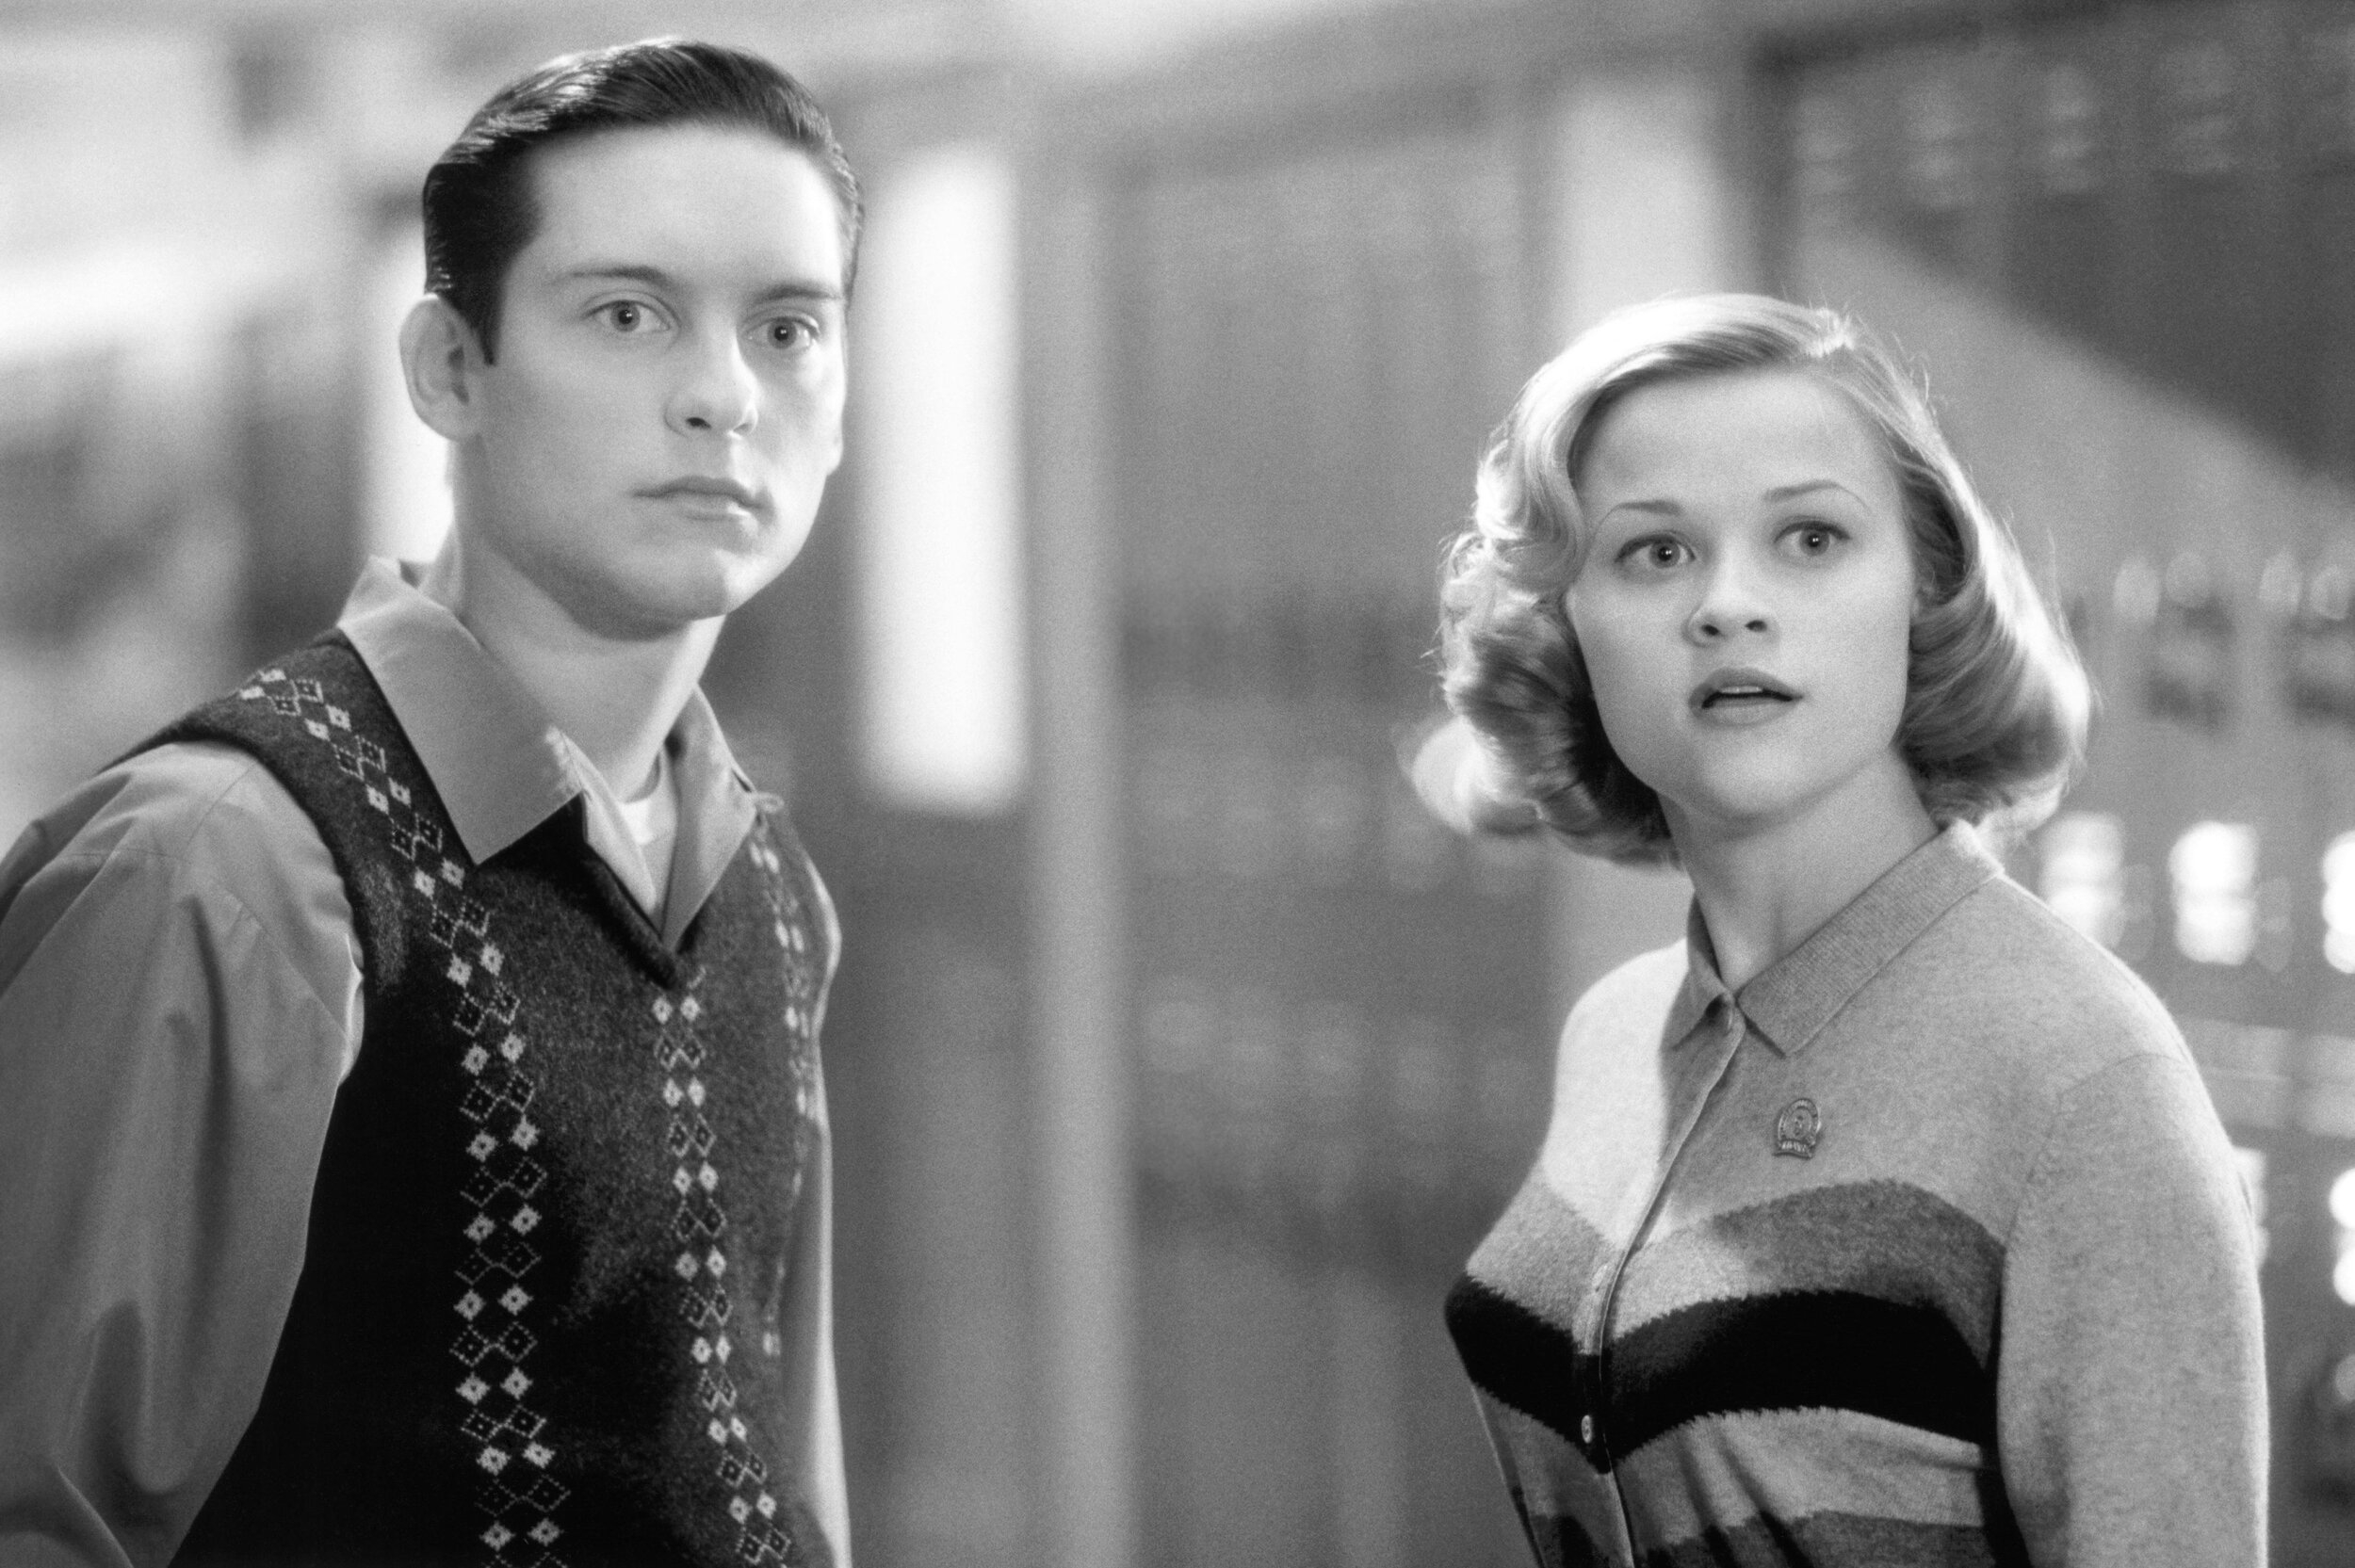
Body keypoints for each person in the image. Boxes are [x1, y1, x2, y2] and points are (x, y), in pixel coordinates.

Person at [0, 38, 857, 1567]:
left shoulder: (771, 887)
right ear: (447, 370)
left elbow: (778, 1480)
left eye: (788, 327)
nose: (724, 396)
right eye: (627, 313)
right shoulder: (227, 868)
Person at [1421, 295, 2266, 1568]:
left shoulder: (2080, 1081)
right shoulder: (1614, 1033)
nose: (1728, 606)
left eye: (1810, 537)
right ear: (1569, 618)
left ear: (1921, 590)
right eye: (1655, 552)